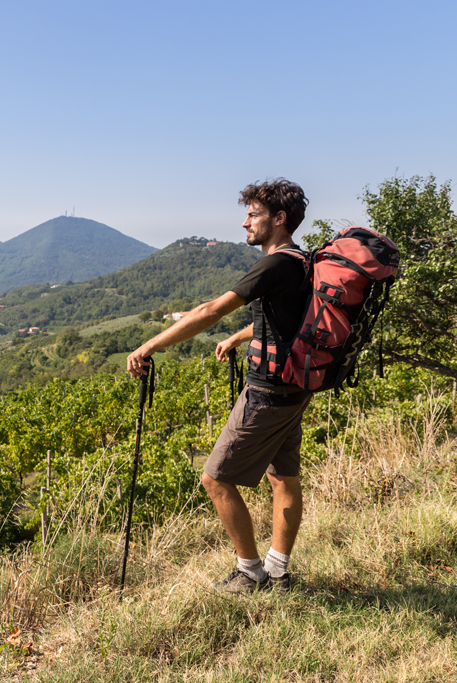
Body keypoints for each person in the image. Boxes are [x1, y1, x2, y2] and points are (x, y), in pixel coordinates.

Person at [126, 178, 312, 592]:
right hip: (296, 386)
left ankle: (250, 573)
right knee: (283, 477)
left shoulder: (273, 264)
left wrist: (150, 345)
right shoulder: (302, 261)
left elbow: (210, 309)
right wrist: (239, 337)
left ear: (279, 219)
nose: (245, 222)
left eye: (254, 214)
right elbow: (284, 322)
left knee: (214, 479)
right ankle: (279, 572)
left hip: (266, 392)